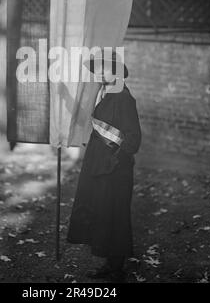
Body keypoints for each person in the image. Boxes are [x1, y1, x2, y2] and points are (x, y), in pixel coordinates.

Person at [66, 50, 142, 282]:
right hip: (99, 164)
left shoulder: (123, 97)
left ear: (116, 71)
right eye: (97, 68)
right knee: (104, 214)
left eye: (104, 68)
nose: (99, 72)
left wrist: (114, 161)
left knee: (115, 216)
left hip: (114, 169)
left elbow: (133, 138)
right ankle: (110, 264)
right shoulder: (105, 93)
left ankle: (117, 270)